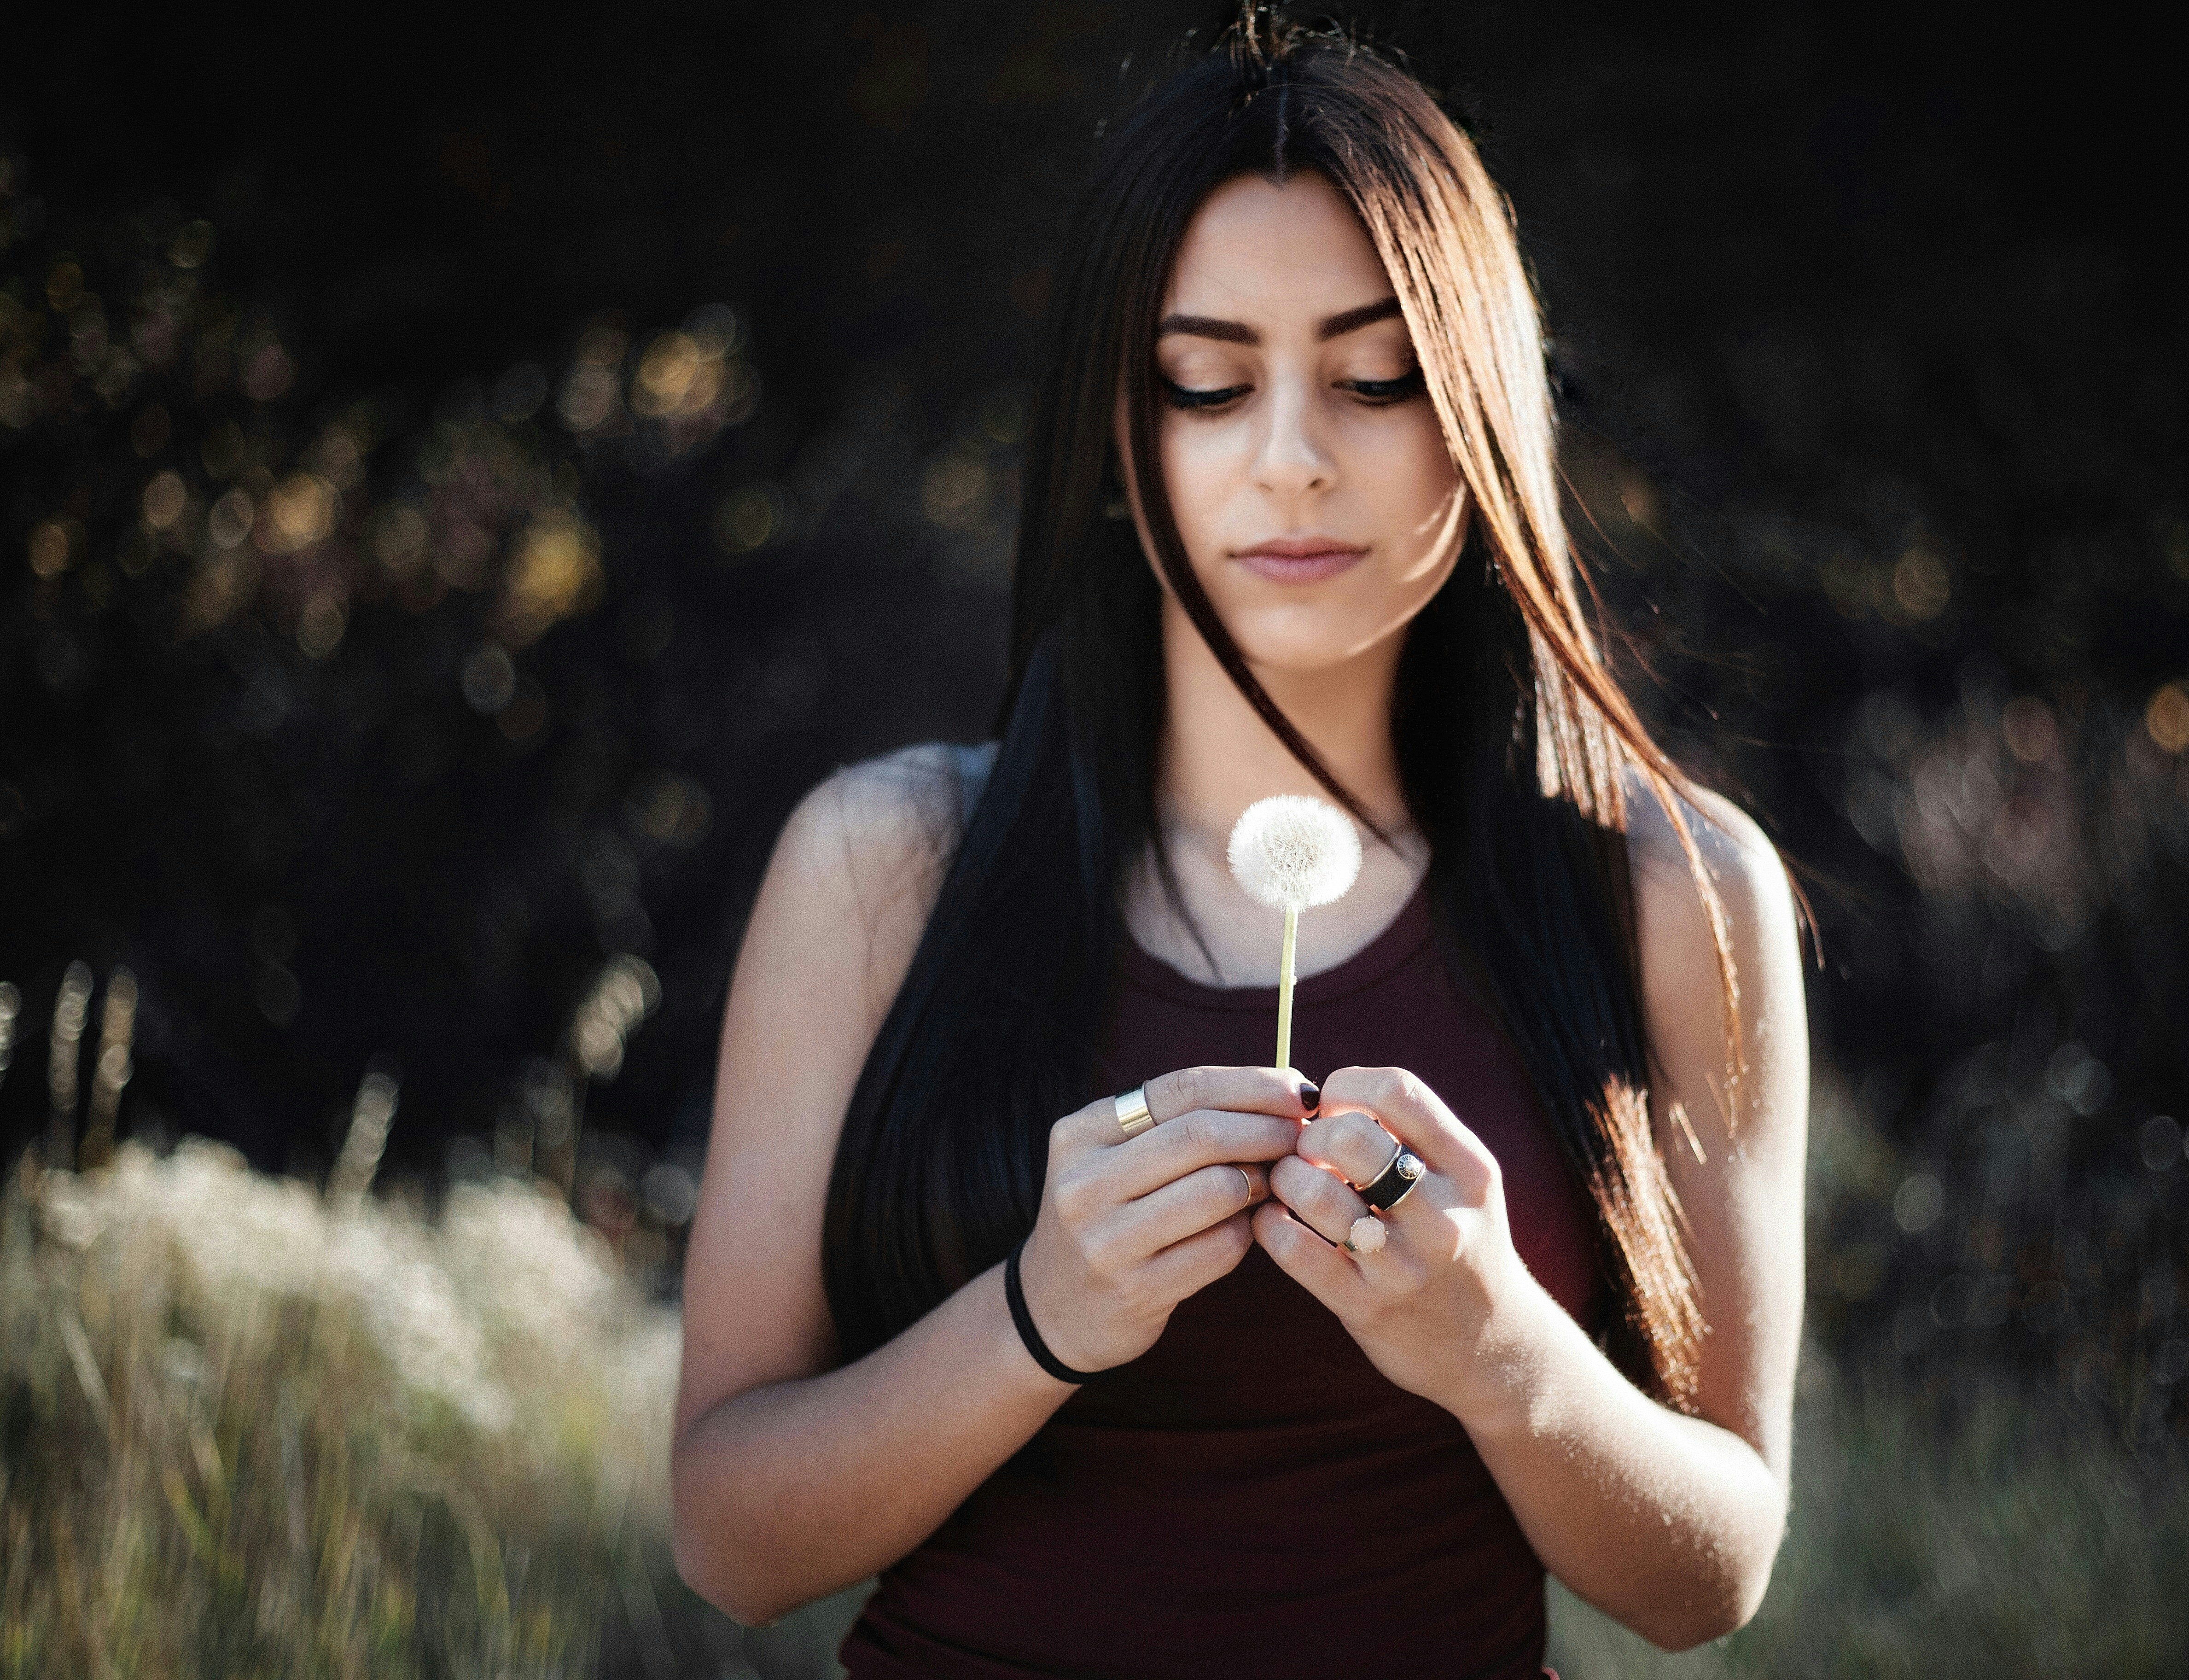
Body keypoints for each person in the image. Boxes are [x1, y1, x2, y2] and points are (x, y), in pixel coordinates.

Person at [669, 15, 1808, 1676]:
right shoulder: (881, 865)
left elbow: (1710, 1578)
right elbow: (728, 1538)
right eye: (1209, 383)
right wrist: (1042, 1313)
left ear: (1479, 410)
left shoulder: (1672, 891)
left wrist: (1502, 1354)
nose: (1292, 457)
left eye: (1373, 377)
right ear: (1121, 446)